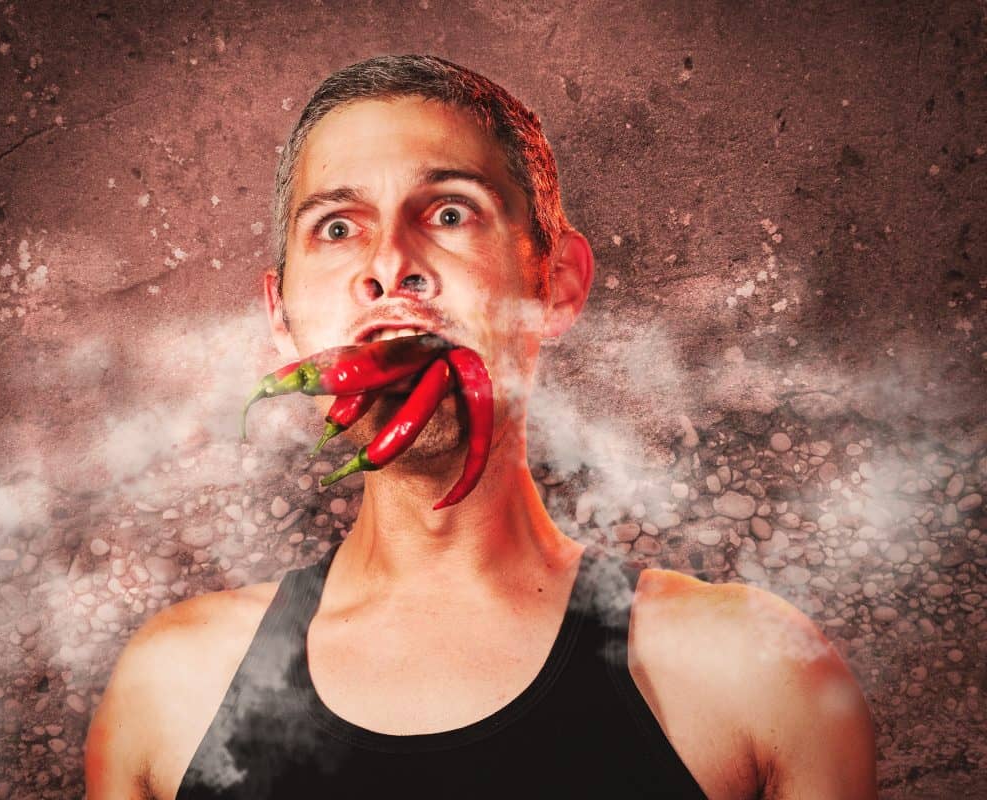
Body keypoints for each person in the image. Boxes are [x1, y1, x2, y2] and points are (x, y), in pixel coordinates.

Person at [86, 55, 878, 799]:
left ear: (558, 284)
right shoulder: (175, 687)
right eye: (336, 227)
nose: (391, 263)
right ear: (280, 320)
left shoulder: (749, 673)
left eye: (451, 211)